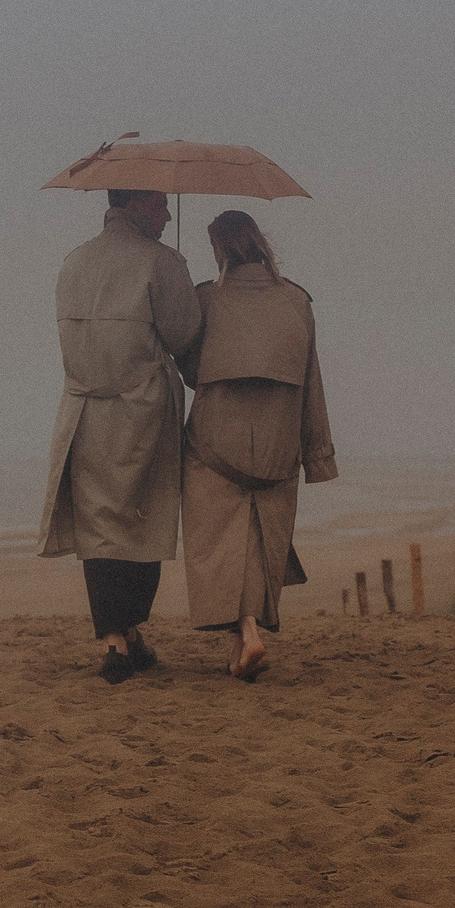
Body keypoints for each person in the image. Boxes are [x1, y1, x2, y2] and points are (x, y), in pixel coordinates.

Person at [38, 188, 203, 682]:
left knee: (100, 527)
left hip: (84, 410)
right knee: (143, 520)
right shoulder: (162, 261)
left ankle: (118, 637)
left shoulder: (73, 261)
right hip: (144, 408)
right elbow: (184, 336)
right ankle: (126, 630)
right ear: (132, 204)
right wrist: (181, 278)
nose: (167, 213)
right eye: (158, 204)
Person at [178, 209, 336, 680]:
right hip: (277, 445)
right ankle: (243, 639)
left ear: (219, 250)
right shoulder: (297, 302)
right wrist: (317, 457)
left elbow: (190, 373)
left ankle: (246, 633)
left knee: (222, 538)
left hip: (215, 444)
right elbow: (312, 383)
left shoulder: (206, 299)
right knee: (258, 538)